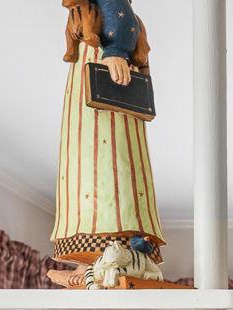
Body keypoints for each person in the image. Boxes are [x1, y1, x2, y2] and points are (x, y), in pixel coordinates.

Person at [52, 0, 164, 284]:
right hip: (88, 80)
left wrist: (116, 50)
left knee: (108, 165)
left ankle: (114, 254)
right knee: (84, 163)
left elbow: (118, 11)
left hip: (107, 74)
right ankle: (88, 262)